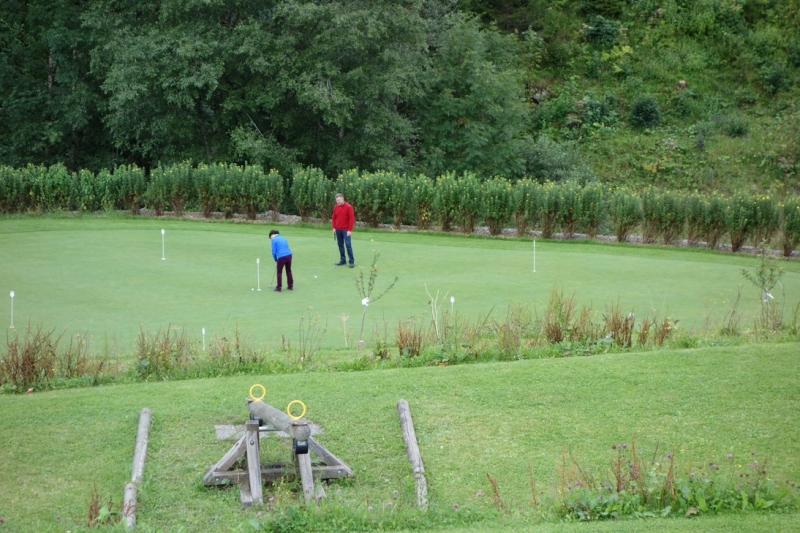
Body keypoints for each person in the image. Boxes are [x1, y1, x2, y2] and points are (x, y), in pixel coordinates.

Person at [331, 192, 355, 267]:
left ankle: (351, 261)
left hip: (346, 230)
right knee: (340, 245)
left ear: (343, 199)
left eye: (339, 200)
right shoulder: (336, 207)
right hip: (338, 229)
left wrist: (349, 230)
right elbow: (333, 218)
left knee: (348, 245)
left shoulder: (349, 207)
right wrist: (333, 228)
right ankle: (343, 260)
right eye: (337, 201)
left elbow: (351, 219)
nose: (338, 202)